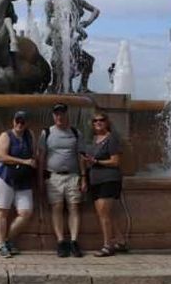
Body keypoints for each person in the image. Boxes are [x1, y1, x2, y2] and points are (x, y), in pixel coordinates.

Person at [38, 103, 85, 258]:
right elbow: (42, 157)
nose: (60, 116)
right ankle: (60, 242)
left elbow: (80, 156)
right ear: (53, 116)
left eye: (62, 113)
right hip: (53, 176)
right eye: (57, 114)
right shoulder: (46, 132)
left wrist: (83, 177)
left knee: (74, 207)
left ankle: (74, 241)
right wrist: (40, 179)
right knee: (56, 208)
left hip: (73, 175)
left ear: (67, 115)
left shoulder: (76, 133)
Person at [0, 110, 36, 258]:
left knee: (25, 212)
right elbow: (2, 156)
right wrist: (25, 161)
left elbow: (34, 154)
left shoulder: (30, 135)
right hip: (4, 176)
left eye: (23, 121)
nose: (19, 124)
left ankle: (7, 239)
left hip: (23, 178)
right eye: (17, 120)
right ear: (13, 121)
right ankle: (1, 244)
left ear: (27, 123)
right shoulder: (6, 135)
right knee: (1, 211)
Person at [83, 112, 127, 257]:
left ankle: (108, 245)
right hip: (94, 180)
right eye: (95, 121)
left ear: (107, 122)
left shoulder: (112, 138)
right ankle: (120, 241)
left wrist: (97, 162)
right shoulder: (92, 140)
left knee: (104, 213)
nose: (98, 123)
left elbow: (115, 161)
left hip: (109, 179)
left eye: (101, 120)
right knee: (104, 213)